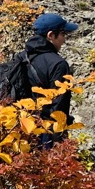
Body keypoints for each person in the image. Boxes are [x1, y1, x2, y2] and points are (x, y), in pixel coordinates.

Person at [26, 12, 79, 143]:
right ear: (51, 35)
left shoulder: (22, 58)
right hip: (46, 132)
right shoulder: (58, 64)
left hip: (22, 128)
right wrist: (58, 140)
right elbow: (59, 106)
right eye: (63, 34)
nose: (64, 39)